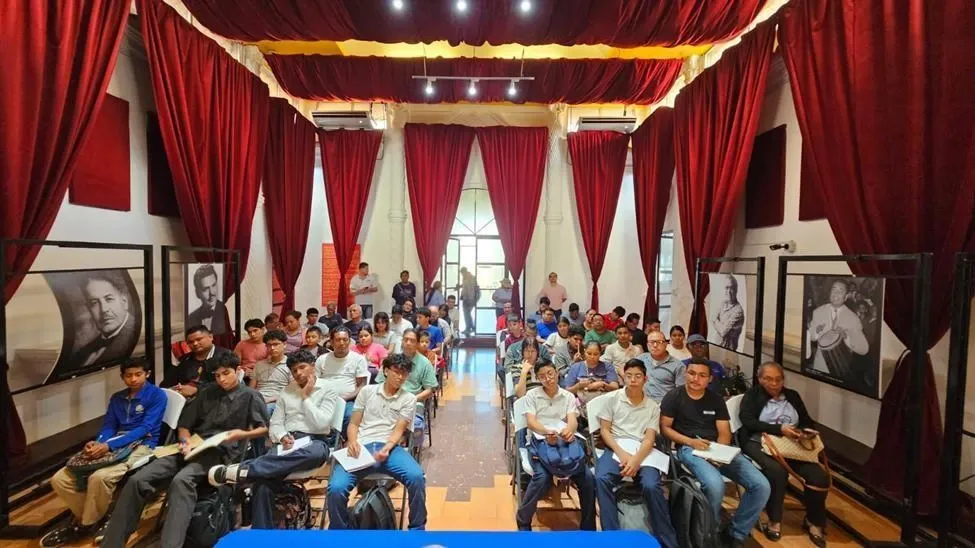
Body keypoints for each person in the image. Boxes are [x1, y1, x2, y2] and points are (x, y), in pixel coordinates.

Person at [101, 353, 268, 548]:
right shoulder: (207, 392)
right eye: (217, 375)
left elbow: (264, 429)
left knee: (182, 481)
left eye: (226, 373)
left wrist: (241, 434)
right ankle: (111, 544)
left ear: (237, 370)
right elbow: (184, 425)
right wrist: (185, 441)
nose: (221, 379)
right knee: (137, 480)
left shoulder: (250, 396)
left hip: (221, 453)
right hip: (192, 447)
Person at [206, 350, 340, 529]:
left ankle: (245, 470)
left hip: (315, 441)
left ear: (313, 367)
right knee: (262, 485)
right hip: (288, 442)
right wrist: (282, 435)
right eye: (294, 370)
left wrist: (305, 397)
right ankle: (262, 536)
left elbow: (322, 424)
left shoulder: (328, 389)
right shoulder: (287, 391)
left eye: (302, 367)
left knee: (315, 453)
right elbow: (275, 423)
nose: (298, 373)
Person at [42, 359, 165, 547]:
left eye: (138, 374)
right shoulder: (117, 398)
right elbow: (109, 426)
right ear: (122, 377)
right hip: (113, 442)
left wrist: (108, 446)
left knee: (99, 477)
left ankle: (84, 524)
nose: (133, 379)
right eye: (128, 375)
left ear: (147, 374)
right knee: (60, 479)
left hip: (143, 444)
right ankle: (98, 518)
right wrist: (98, 442)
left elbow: (145, 428)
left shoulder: (157, 395)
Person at [661, 360, 771, 548]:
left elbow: (724, 432)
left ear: (710, 379)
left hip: (717, 448)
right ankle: (707, 532)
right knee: (715, 485)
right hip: (689, 447)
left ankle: (736, 533)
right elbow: (665, 428)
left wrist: (718, 453)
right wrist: (690, 442)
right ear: (686, 374)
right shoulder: (674, 396)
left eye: (702, 375)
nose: (695, 379)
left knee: (761, 486)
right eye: (692, 373)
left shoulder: (716, 399)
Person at [326, 353, 427, 530]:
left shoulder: (409, 398)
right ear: (385, 371)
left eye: (404, 373)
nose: (400, 377)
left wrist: (387, 448)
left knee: (417, 477)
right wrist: (352, 441)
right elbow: (354, 423)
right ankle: (340, 531)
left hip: (390, 448)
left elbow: (399, 430)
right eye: (396, 372)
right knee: (336, 488)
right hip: (362, 447)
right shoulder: (367, 391)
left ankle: (417, 528)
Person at [739, 362, 829, 546]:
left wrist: (804, 432)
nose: (774, 384)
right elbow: (748, 421)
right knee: (777, 472)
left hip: (791, 445)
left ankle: (814, 520)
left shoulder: (792, 396)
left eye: (778, 379)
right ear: (760, 379)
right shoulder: (752, 395)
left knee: (819, 476)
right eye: (768, 379)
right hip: (759, 442)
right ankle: (774, 519)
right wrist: (779, 429)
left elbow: (806, 420)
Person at [594, 359, 678, 548]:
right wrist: (623, 455)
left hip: (643, 452)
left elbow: (649, 439)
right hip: (617, 448)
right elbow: (605, 431)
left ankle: (667, 540)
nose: (633, 380)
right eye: (629, 376)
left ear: (645, 379)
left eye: (638, 376)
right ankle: (611, 538)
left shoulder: (652, 406)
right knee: (601, 479)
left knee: (651, 485)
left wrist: (635, 460)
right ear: (623, 377)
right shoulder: (612, 399)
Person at [516, 358, 595, 531]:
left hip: (564, 441)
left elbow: (572, 420)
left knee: (588, 478)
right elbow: (531, 422)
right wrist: (546, 432)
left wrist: (569, 431)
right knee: (542, 478)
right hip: (539, 440)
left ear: (557, 373)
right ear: (538, 378)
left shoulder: (567, 396)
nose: (548, 379)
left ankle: (588, 527)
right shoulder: (532, 395)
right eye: (542, 376)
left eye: (550, 374)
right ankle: (523, 520)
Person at [71, 271, 140, 371]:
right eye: (94, 303)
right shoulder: (82, 353)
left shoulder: (136, 337)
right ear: (89, 309)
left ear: (124, 302)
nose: (103, 309)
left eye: (109, 299)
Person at [805, 279, 868, 377]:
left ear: (846, 296)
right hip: (820, 366)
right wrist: (816, 332)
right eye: (834, 289)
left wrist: (846, 337)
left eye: (840, 291)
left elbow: (864, 349)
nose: (836, 293)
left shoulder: (853, 318)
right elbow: (812, 337)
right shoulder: (818, 312)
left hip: (843, 369)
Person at [315, 326, 370, 434]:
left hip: (348, 400)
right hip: (324, 398)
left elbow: (362, 385)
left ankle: (343, 440)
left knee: (350, 416)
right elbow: (315, 382)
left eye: (345, 340)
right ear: (331, 342)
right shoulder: (322, 359)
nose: (342, 343)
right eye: (338, 340)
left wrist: (344, 397)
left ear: (350, 341)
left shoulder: (358, 359)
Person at [161, 325, 234, 397]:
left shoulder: (226, 356)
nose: (195, 344)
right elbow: (166, 385)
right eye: (190, 342)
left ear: (210, 337)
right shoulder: (184, 360)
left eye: (199, 339)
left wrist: (196, 390)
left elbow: (231, 383)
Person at [563, 341, 620, 411]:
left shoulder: (607, 366)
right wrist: (578, 386)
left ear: (600, 354)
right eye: (589, 353)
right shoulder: (576, 367)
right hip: (582, 405)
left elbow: (615, 388)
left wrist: (602, 384)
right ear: (584, 352)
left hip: (604, 403)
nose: (592, 357)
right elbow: (567, 391)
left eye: (596, 354)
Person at [636, 330, 686, 403]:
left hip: (664, 405)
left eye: (659, 342)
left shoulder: (678, 366)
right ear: (647, 345)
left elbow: (681, 393)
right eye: (652, 342)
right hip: (641, 403)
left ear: (666, 344)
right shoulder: (640, 359)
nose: (655, 345)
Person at [250, 330, 292, 410]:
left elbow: (292, 391)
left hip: (278, 400)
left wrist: (269, 400)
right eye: (269, 345)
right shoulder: (259, 364)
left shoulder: (291, 365)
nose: (272, 348)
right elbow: (251, 388)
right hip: (258, 399)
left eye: (276, 344)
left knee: (266, 409)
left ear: (284, 344)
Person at [186, 264, 229, 335]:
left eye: (214, 285)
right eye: (206, 289)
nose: (212, 293)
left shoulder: (223, 309)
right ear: (197, 293)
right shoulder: (191, 318)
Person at [711, 274, 745, 350]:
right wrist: (720, 325)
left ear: (736, 290)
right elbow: (712, 318)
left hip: (729, 350)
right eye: (727, 288)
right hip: (717, 346)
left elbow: (723, 332)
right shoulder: (723, 303)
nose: (729, 291)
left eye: (732, 288)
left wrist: (716, 320)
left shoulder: (738, 311)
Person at [459, 267, 479, 335]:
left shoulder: (470, 277)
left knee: (467, 314)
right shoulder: (466, 277)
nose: (462, 274)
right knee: (467, 314)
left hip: (469, 298)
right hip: (467, 298)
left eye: (462, 273)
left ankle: (469, 328)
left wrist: (471, 300)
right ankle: (471, 327)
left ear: (464, 272)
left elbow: (471, 289)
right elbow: (465, 286)